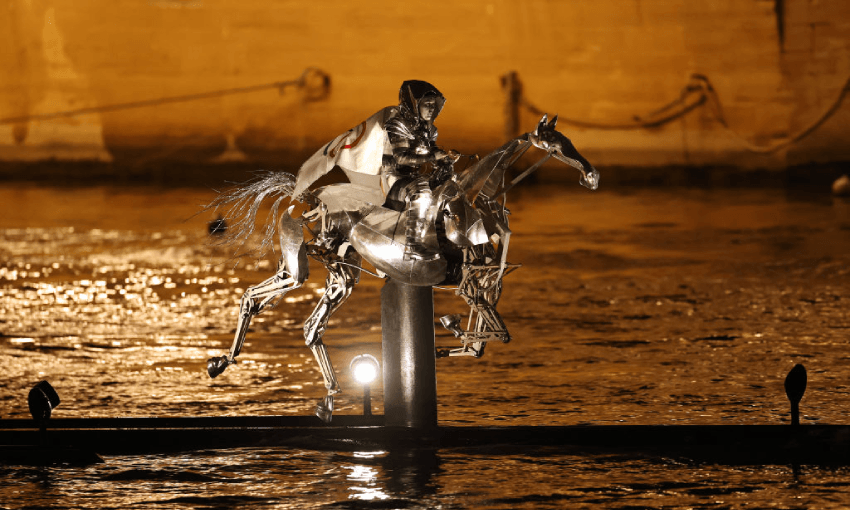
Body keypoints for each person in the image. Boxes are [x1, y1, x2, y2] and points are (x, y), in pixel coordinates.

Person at [382, 80, 457, 260]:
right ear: (414, 105)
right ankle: (412, 244)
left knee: (449, 188)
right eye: (427, 104)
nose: (431, 109)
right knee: (422, 192)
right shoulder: (397, 125)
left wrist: (446, 159)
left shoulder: (429, 130)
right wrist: (432, 157)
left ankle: (442, 238)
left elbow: (432, 153)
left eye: (433, 105)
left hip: (418, 176)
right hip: (396, 178)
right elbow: (400, 158)